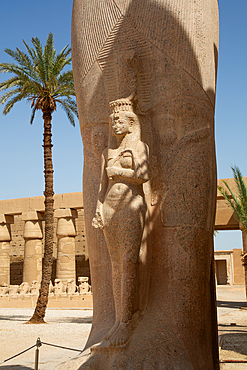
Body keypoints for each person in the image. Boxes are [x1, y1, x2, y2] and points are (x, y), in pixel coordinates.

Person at [92, 96, 149, 346]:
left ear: (130, 123)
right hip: (110, 208)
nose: (115, 125)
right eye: (112, 121)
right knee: (116, 265)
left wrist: (119, 172)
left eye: (120, 121)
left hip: (131, 204)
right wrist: (97, 209)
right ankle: (118, 320)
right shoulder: (108, 152)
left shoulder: (139, 148)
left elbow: (143, 175)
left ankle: (127, 322)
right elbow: (101, 186)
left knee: (128, 261)